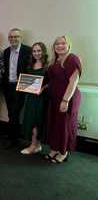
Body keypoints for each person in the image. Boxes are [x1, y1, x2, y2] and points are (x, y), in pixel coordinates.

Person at [45, 35, 82, 163]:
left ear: (68, 45)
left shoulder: (72, 58)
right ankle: (55, 148)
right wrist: (43, 87)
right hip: (55, 99)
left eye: (63, 43)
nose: (60, 46)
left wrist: (65, 100)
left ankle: (63, 152)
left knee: (65, 125)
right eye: (57, 44)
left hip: (68, 99)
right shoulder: (55, 60)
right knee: (56, 125)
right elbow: (55, 80)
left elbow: (73, 81)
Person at [2, 28, 31, 149]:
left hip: (21, 86)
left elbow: (31, 68)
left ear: (20, 37)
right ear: (8, 38)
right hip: (8, 86)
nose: (13, 39)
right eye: (11, 37)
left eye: (16, 37)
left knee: (14, 112)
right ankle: (15, 135)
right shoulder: (6, 51)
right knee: (11, 112)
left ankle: (10, 138)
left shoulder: (27, 50)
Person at [20, 42, 49, 154]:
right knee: (32, 120)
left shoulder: (48, 66)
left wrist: (43, 88)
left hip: (41, 97)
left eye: (39, 51)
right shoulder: (30, 65)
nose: (36, 53)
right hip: (31, 97)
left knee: (37, 120)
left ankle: (34, 146)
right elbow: (28, 81)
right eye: (34, 51)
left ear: (43, 51)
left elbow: (53, 82)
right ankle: (35, 145)